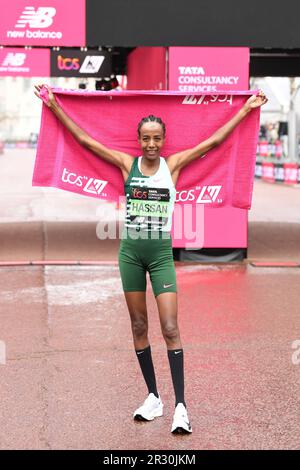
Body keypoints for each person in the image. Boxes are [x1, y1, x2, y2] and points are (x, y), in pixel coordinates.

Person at [34, 84, 267, 434]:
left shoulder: (172, 166)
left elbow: (215, 142)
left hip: (159, 254)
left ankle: (181, 407)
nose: (152, 144)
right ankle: (153, 396)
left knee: (170, 327)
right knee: (139, 326)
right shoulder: (127, 163)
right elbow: (85, 141)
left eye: (157, 138)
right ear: (139, 140)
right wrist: (53, 105)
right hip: (130, 253)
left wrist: (247, 109)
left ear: (164, 139)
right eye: (146, 138)